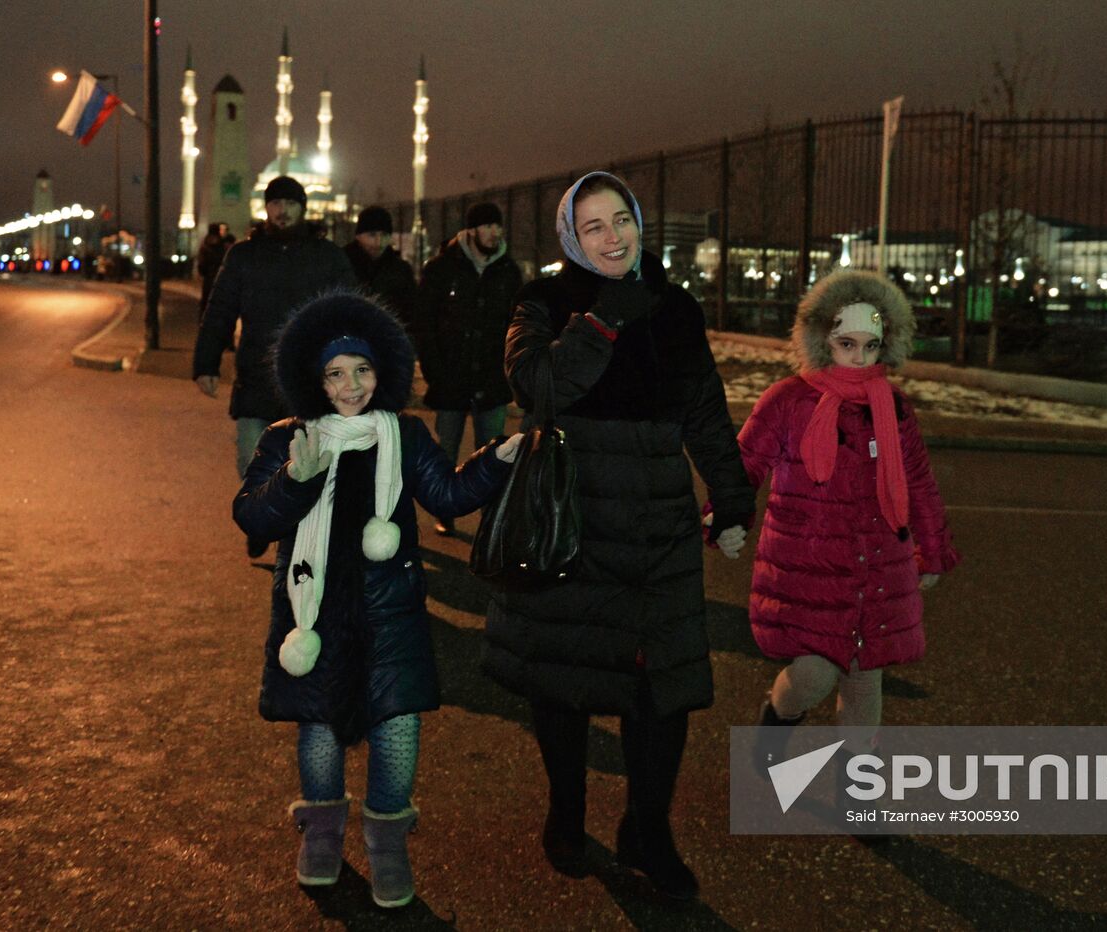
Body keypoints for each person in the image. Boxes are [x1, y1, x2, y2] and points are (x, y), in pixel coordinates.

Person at [482, 172, 754, 901]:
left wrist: (731, 497)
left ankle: (648, 828)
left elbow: (703, 410)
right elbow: (534, 385)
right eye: (593, 225)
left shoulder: (676, 309)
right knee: (564, 678)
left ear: (639, 223)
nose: (612, 237)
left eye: (621, 220)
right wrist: (601, 322)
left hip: (656, 517)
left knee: (660, 687)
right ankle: (566, 815)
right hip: (568, 511)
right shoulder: (543, 301)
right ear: (572, 235)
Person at [234, 292, 522, 908]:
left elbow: (446, 496)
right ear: (315, 380)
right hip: (311, 613)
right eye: (335, 374)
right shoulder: (291, 438)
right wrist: (297, 478)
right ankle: (323, 831)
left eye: (362, 370)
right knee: (319, 731)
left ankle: (388, 840)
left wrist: (494, 461)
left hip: (391, 611)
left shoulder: (403, 433)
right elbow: (251, 513)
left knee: (398, 732)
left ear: (381, 371)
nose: (351, 385)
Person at [737, 270, 960, 764]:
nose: (859, 358)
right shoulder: (789, 400)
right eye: (846, 343)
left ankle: (859, 792)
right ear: (822, 340)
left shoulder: (894, 407)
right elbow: (744, 465)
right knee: (813, 674)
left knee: (865, 680)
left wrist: (933, 550)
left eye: (870, 345)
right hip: (810, 564)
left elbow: (919, 482)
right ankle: (777, 720)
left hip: (879, 562)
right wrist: (725, 517)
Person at [193, 175, 356, 557]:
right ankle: (261, 518)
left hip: (310, 381)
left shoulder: (326, 255)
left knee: (312, 461)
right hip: (256, 377)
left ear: (303, 207)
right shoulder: (244, 256)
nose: (282, 210)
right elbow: (219, 311)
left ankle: (297, 532)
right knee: (251, 459)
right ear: (265, 208)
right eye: (275, 203)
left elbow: (352, 309)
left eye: (290, 203)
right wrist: (206, 364)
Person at [412, 201, 522, 536]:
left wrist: (510, 369)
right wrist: (434, 371)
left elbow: (517, 323)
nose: (495, 232)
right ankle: (447, 509)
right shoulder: (442, 268)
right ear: (471, 230)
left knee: (495, 452)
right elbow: (425, 324)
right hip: (450, 378)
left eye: (498, 226)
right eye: (488, 226)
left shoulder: (508, 272)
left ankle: (491, 518)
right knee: (446, 450)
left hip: (492, 378)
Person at [343, 205, 415, 326]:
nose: (379, 242)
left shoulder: (401, 270)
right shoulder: (341, 265)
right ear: (358, 236)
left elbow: (410, 311)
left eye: (384, 235)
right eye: (372, 235)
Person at [195, 221, 234, 320]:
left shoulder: (205, 245)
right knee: (220, 302)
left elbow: (201, 264)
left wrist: (203, 271)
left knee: (207, 300)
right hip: (221, 277)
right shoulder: (223, 245)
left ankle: (204, 320)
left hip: (209, 277)